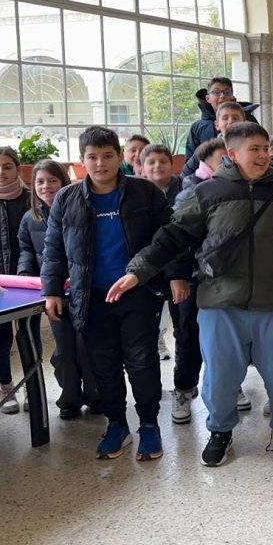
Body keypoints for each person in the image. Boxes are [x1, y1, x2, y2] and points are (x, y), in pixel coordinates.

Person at [105, 122, 273, 467]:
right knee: (220, 375)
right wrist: (138, 271)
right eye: (254, 149)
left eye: (265, 149)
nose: (263, 156)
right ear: (232, 154)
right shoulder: (207, 192)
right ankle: (220, 430)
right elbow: (172, 238)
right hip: (220, 302)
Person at [41, 126, 186, 460]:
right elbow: (54, 249)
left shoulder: (145, 192)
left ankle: (148, 424)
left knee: (141, 361)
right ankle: (117, 425)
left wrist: (177, 275)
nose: (100, 164)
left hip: (138, 293)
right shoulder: (66, 198)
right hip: (91, 297)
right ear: (81, 162)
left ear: (119, 158)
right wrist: (52, 290)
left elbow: (170, 238)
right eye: (92, 157)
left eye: (107, 156)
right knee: (103, 365)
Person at [19, 159, 99, 419]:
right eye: (40, 181)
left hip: (83, 293)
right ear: (33, 186)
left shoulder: (82, 210)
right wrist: (25, 273)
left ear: (64, 182)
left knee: (86, 346)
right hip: (53, 296)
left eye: (53, 180)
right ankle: (70, 399)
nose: (46, 186)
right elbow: (26, 251)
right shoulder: (29, 219)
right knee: (64, 350)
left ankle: (96, 396)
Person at [170, 137, 228, 425]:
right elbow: (178, 239)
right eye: (222, 160)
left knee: (224, 338)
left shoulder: (233, 188)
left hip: (224, 279)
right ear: (205, 163)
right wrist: (179, 275)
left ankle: (231, 386)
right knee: (188, 336)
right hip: (195, 278)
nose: (228, 164)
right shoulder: (191, 193)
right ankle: (183, 389)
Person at [140, 143, 184, 362]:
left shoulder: (186, 189)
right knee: (149, 321)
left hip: (180, 265)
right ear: (142, 168)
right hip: (149, 266)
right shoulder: (137, 193)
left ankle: (183, 373)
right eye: (151, 162)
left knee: (183, 325)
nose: (157, 166)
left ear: (172, 165)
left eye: (163, 161)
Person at [0, 148, 33, 414]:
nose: (1, 172)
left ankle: (33, 387)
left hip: (28, 281)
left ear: (18, 169)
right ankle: (6, 386)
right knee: (1, 339)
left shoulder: (31, 199)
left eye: (7, 166)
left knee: (29, 334)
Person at [185, 77, 259, 160]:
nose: (222, 96)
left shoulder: (249, 121)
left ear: (233, 97)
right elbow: (190, 162)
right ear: (207, 98)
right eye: (216, 92)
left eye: (227, 92)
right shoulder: (198, 127)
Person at [180, 101, 247, 177]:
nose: (230, 121)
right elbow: (185, 176)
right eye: (225, 118)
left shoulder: (253, 148)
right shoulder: (206, 150)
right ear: (217, 125)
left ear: (245, 123)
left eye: (235, 118)